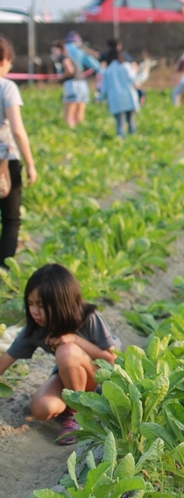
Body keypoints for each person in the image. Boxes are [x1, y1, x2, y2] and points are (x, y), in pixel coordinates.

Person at [0, 264, 119, 445]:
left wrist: (74, 340)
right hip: (71, 377)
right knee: (41, 409)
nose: (34, 311)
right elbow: (5, 361)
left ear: (60, 302)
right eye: (30, 304)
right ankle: (74, 407)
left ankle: (79, 415)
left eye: (40, 305)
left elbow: (111, 359)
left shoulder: (87, 317)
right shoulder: (35, 329)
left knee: (66, 351)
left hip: (102, 380)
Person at [0, 36, 38, 266]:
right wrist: (30, 164)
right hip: (4, 160)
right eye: (9, 61)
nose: (11, 66)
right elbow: (17, 130)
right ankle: (4, 268)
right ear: (2, 60)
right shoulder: (7, 87)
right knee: (11, 218)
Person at [98, 39, 140, 137]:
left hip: (116, 100)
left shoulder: (107, 71)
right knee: (131, 122)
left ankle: (120, 143)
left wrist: (99, 98)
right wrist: (144, 72)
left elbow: (104, 88)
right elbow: (134, 80)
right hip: (128, 98)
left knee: (120, 124)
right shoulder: (125, 66)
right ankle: (134, 143)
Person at [62, 31, 100, 127]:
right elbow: (95, 65)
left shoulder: (65, 50)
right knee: (80, 113)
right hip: (82, 84)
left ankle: (70, 135)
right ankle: (80, 133)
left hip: (71, 84)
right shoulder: (80, 50)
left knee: (68, 116)